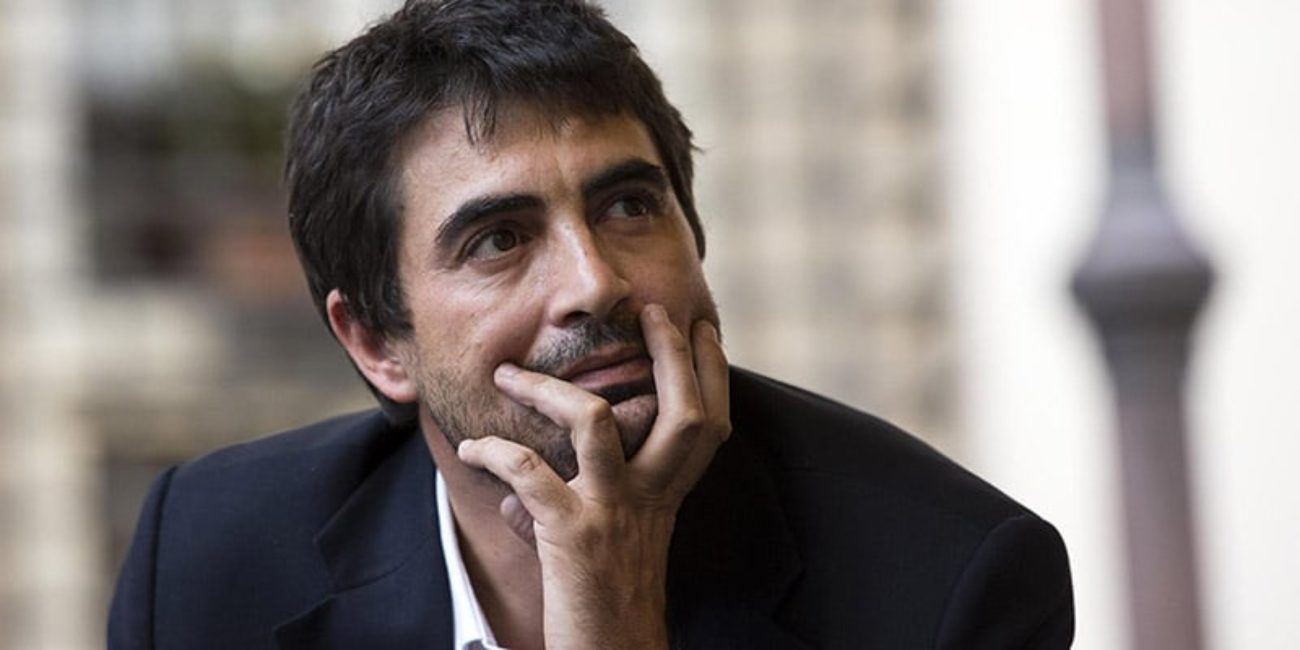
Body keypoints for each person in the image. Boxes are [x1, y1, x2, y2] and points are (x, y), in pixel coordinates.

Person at [108, 1, 1075, 648]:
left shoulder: (949, 588)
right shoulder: (207, 556)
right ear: (375, 343)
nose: (594, 282)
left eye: (629, 207)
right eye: (498, 239)